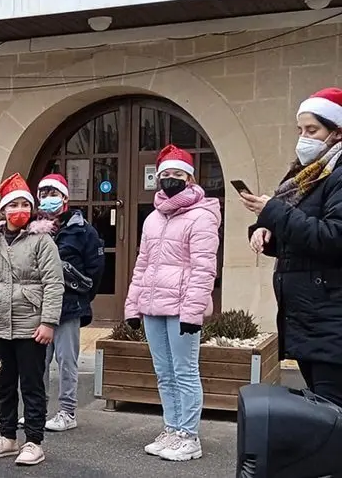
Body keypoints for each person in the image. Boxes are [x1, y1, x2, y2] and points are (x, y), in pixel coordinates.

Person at [241, 87, 342, 407]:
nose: (303, 138)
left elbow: (333, 238)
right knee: (323, 420)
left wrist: (273, 211)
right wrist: (266, 231)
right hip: (310, 320)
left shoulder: (336, 176)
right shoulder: (305, 176)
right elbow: (300, 232)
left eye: (312, 130)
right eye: (300, 130)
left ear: (336, 132)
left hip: (331, 322)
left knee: (331, 420)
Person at [125, 144, 220, 462]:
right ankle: (172, 427)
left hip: (181, 309)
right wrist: (132, 306)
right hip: (153, 307)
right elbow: (142, 265)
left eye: (178, 174)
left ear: (191, 179)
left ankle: (189, 436)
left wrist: (193, 312)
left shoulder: (201, 217)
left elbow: (204, 269)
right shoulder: (152, 219)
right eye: (165, 174)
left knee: (184, 372)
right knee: (164, 372)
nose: (170, 179)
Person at [0, 173, 64, 467]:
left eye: (24, 204)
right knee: (4, 385)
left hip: (31, 326)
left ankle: (33, 441)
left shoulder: (42, 241)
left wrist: (48, 322)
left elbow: (53, 283)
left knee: (33, 386)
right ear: (3, 211)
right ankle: (7, 437)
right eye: (13, 205)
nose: (19, 210)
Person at [33, 173, 105, 432]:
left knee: (66, 360)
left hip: (69, 306)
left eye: (53, 194)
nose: (47, 199)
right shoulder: (34, 230)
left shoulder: (83, 230)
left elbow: (95, 269)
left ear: (64, 198)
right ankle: (36, 410)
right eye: (43, 194)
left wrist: (82, 296)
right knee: (37, 362)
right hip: (39, 308)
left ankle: (67, 411)